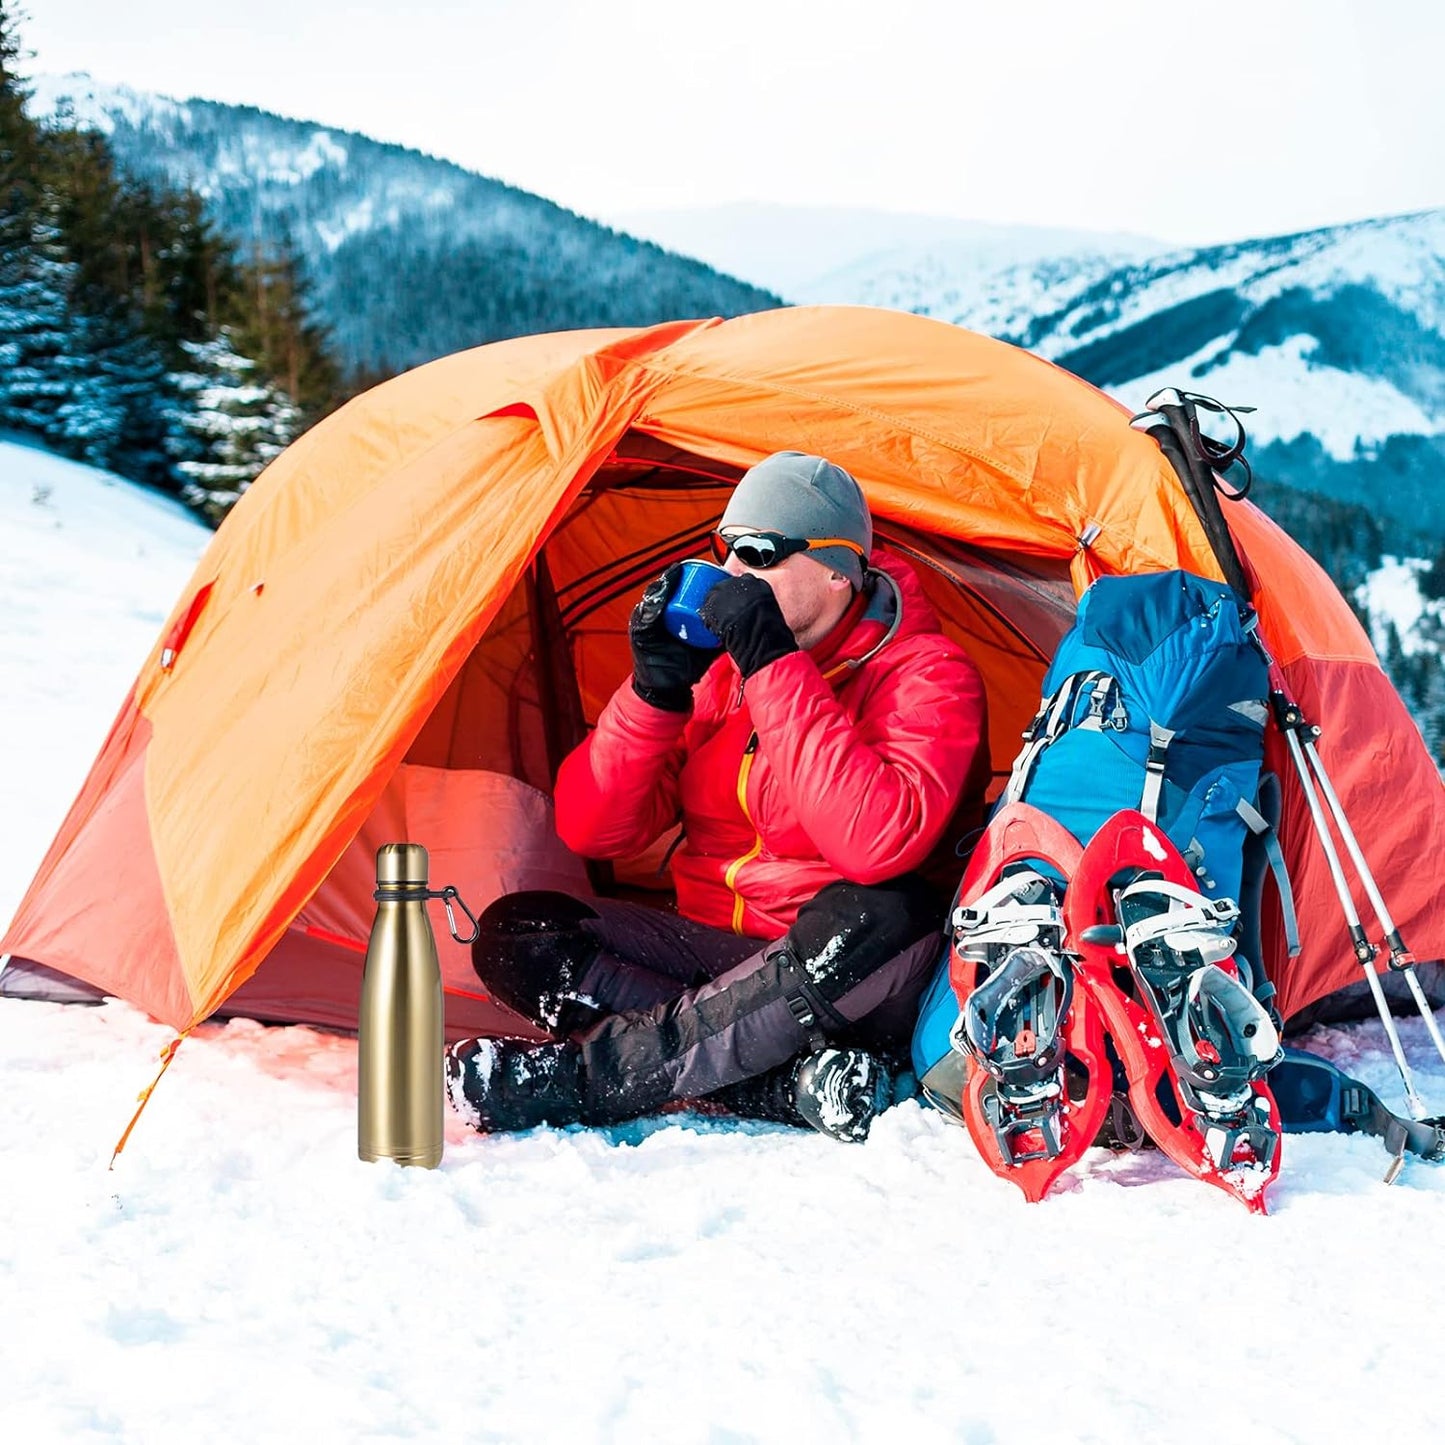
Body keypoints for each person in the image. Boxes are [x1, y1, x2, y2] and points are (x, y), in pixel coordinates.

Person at [446, 451, 991, 1140]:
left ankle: (589, 1078)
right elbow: (592, 829)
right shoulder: (723, 678)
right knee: (516, 936)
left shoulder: (927, 674)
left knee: (884, 909)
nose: (734, 573)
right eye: (725, 549)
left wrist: (772, 664)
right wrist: (652, 693)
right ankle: (786, 1084)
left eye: (759, 552)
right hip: (715, 950)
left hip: (845, 967)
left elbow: (874, 843)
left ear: (836, 568)